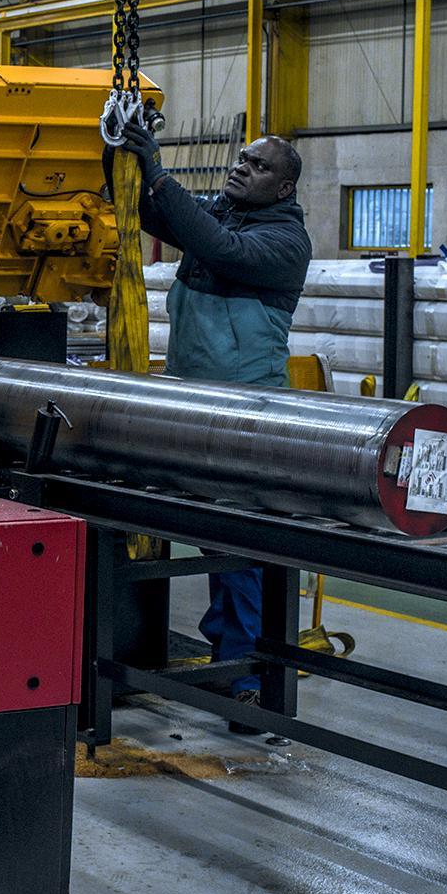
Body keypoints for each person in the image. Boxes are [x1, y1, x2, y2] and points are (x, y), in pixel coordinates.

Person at [113, 121, 312, 731]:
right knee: (205, 538)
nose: (241, 168)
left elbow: (212, 244)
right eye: (242, 159)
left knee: (238, 551)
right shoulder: (223, 215)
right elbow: (149, 211)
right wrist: (116, 153)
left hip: (247, 415)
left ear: (283, 189)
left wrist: (157, 166)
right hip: (192, 407)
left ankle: (245, 681)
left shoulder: (283, 241)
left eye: (257, 166)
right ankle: (224, 666)